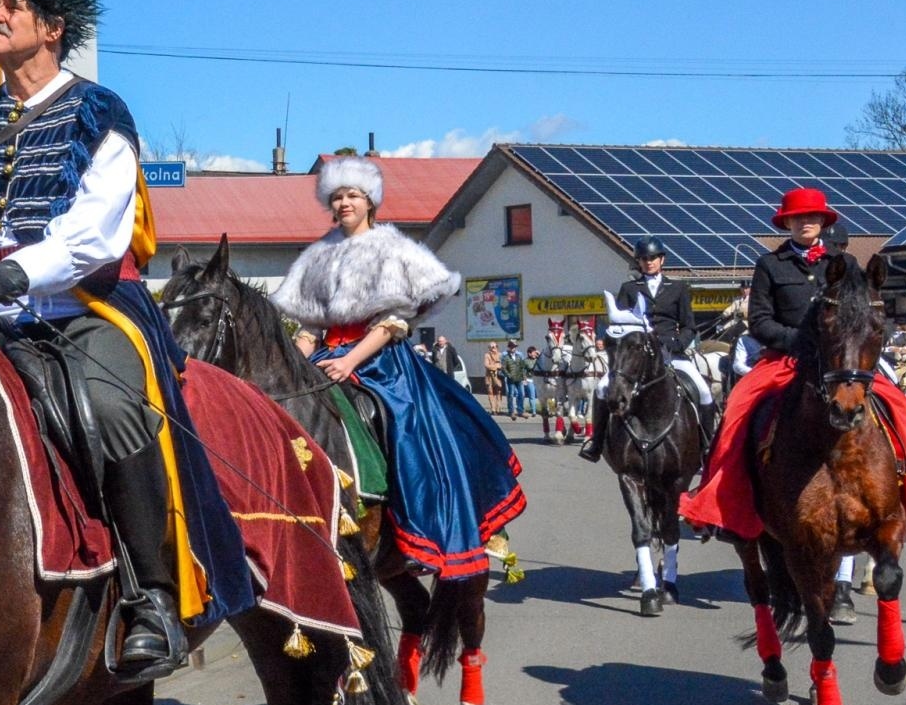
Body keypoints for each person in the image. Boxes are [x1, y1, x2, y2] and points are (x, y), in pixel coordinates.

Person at [0, 0, 252, 679]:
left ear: (52, 27)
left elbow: (95, 230)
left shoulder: (97, 112)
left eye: (11, 5)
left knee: (115, 404)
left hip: (77, 303)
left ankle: (152, 596)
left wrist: (19, 270)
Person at [681, 188, 906, 614]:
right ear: (786, 224)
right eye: (797, 218)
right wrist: (801, 343)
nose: (805, 223)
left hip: (843, 363)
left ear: (824, 223)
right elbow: (760, 322)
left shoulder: (844, 265)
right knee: (738, 410)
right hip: (786, 360)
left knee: (902, 409)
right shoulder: (770, 265)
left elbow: (862, 314)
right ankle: (721, 502)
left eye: (813, 217)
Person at [270, 156, 526, 587]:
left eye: (352, 194)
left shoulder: (392, 248)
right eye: (337, 196)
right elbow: (311, 329)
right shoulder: (318, 255)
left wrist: (350, 360)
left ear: (369, 201)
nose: (345, 202)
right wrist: (290, 367)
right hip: (326, 356)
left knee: (404, 424)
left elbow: (392, 322)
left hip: (379, 360)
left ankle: (418, 532)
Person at [579, 236, 715, 461]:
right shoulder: (630, 288)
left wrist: (677, 343)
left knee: (703, 390)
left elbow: (689, 325)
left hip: (671, 354)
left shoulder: (678, 288)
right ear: (638, 262)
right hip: (636, 356)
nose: (649, 262)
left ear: (662, 260)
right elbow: (619, 325)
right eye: (644, 258)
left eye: (653, 258)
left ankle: (709, 445)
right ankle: (596, 442)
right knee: (602, 388)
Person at [481, 341, 505, 416]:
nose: (493, 348)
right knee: (490, 392)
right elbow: (486, 365)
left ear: (497, 347)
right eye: (491, 347)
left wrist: (495, 366)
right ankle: (493, 409)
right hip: (489, 376)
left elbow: (502, 365)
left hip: (498, 376)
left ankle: (498, 408)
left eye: (494, 347)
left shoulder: (501, 355)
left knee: (499, 392)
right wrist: (496, 366)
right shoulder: (487, 355)